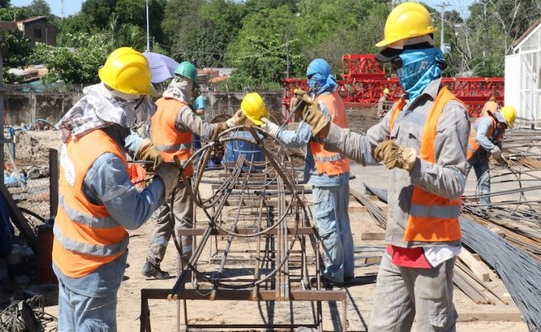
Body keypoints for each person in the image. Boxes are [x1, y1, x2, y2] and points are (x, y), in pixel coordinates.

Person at [294, 2, 470, 330]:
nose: (395, 72)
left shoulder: (450, 113)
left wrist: (411, 163)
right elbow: (364, 148)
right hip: (396, 247)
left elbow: (455, 182)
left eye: (397, 62)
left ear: (418, 55)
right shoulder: (400, 109)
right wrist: (323, 128)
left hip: (431, 250)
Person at [52, 47, 181, 331]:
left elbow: (112, 129)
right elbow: (133, 216)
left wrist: (141, 145)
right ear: (131, 102)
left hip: (67, 255)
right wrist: (164, 181)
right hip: (92, 266)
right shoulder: (105, 160)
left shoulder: (79, 123)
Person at [142, 61, 246, 279]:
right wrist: (229, 123)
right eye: (193, 86)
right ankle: (187, 268)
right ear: (188, 85)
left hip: (157, 174)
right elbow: (206, 131)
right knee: (184, 223)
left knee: (163, 219)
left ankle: (152, 262)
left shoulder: (158, 104)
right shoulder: (182, 110)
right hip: (179, 174)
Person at [258, 59, 354, 286]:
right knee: (342, 223)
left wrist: (269, 127)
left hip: (325, 172)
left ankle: (332, 274)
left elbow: (296, 139)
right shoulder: (335, 99)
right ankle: (346, 271)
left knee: (327, 224)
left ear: (318, 78)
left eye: (311, 77)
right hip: (341, 171)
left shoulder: (320, 104)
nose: (309, 82)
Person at [466, 105, 517, 206]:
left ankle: (485, 207)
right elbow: (480, 137)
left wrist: (500, 158)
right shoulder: (487, 121)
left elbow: (497, 144)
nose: (505, 128)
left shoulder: (498, 129)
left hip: (481, 155)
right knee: (460, 178)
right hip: (468, 154)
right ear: (500, 120)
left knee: (485, 179)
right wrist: (493, 149)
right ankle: (452, 204)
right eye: (505, 125)